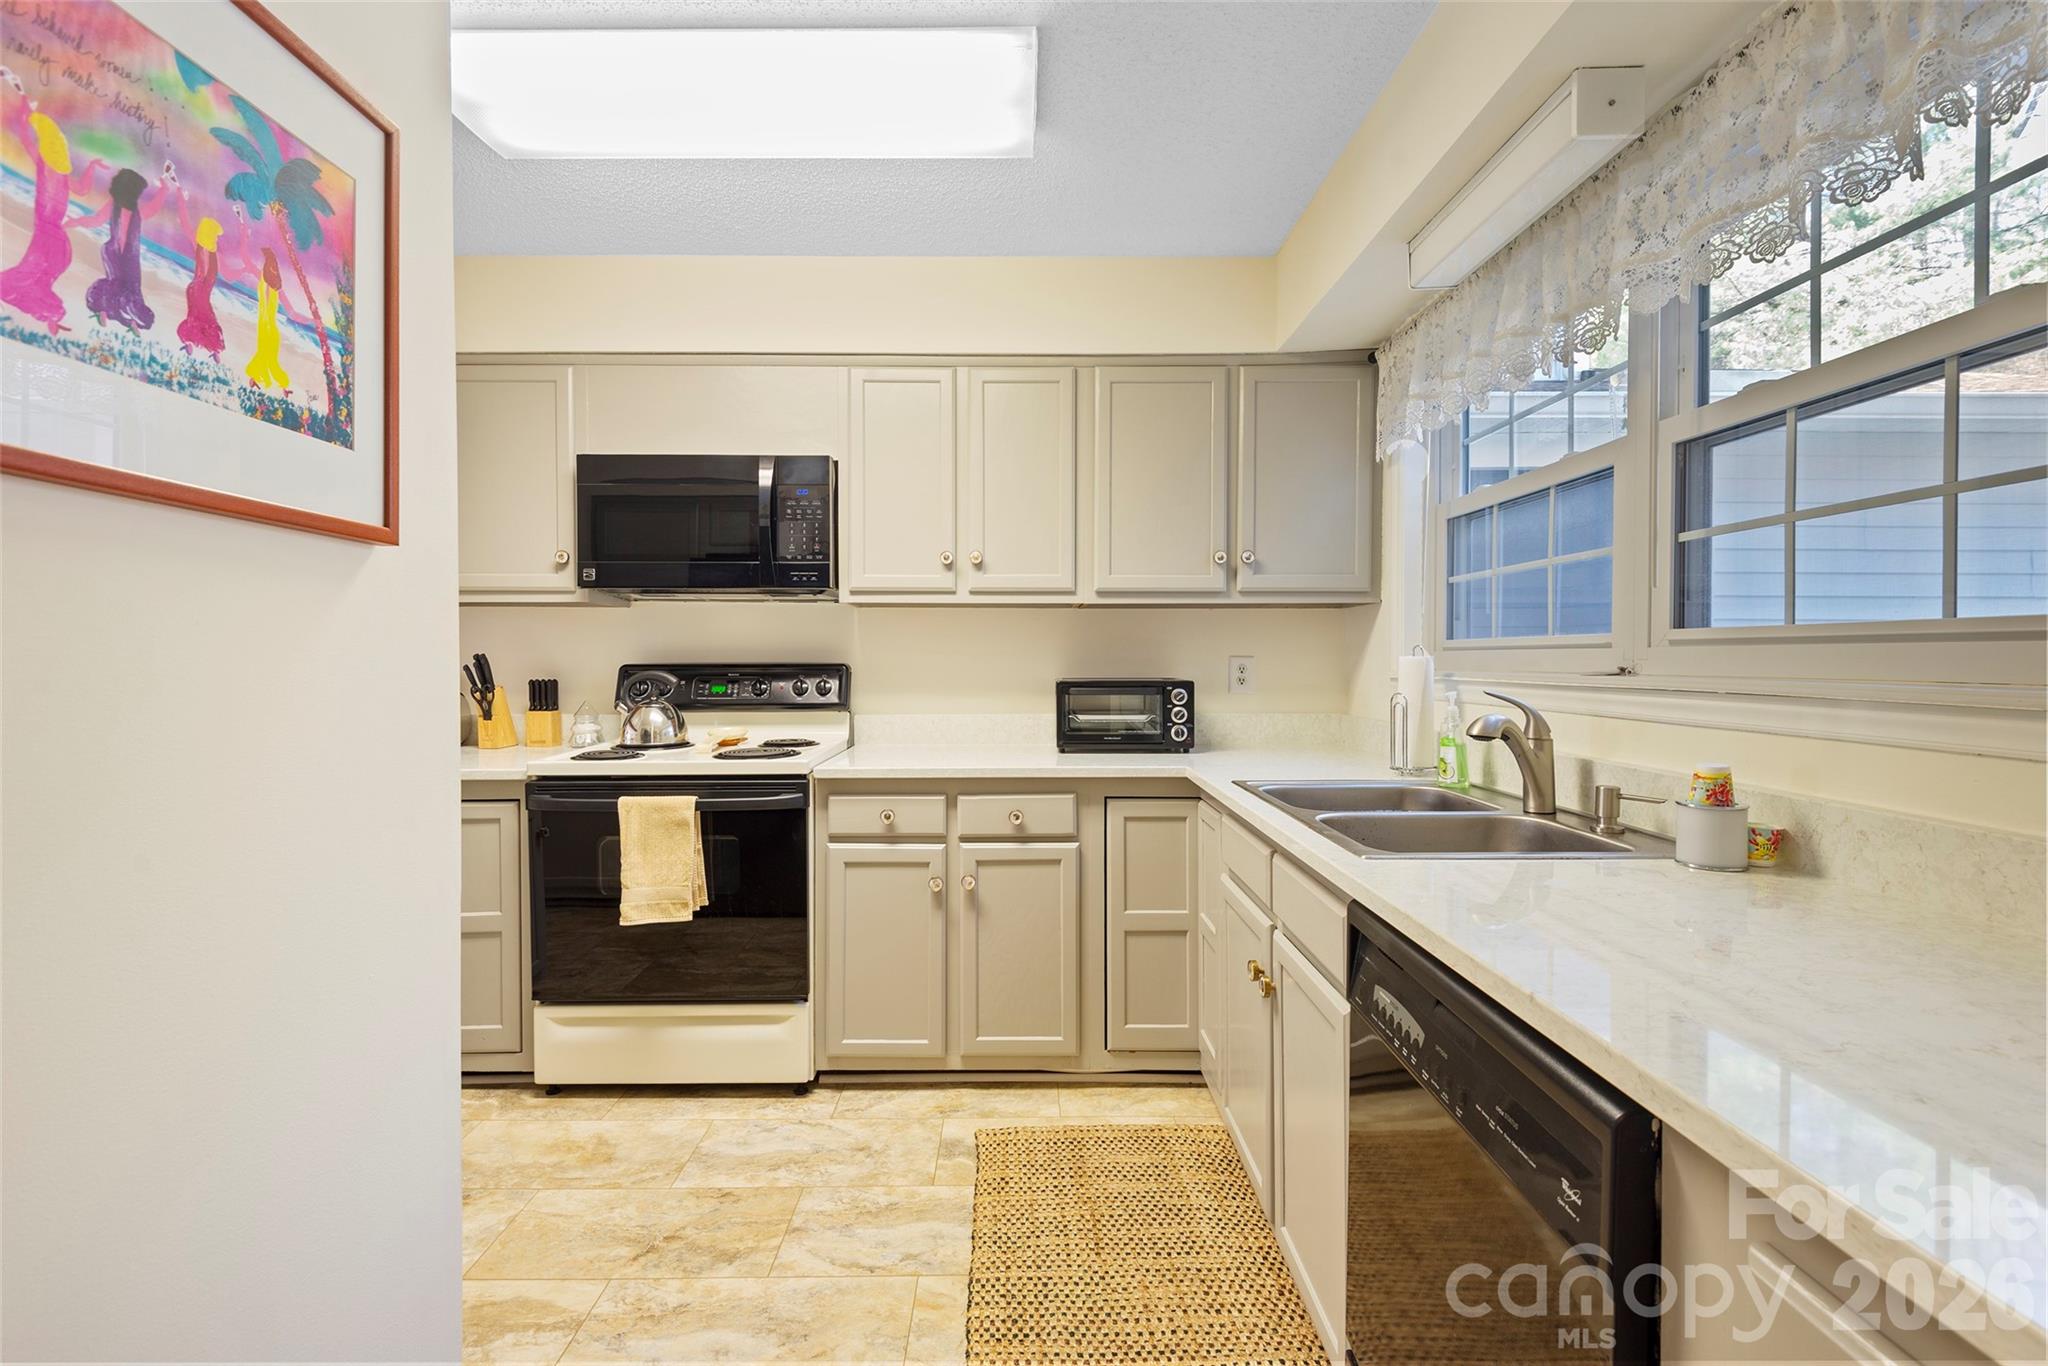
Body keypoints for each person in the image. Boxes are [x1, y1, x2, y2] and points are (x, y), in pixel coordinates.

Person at [0, 69, 108, 334]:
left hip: (51, 236)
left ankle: (47, 314)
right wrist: (26, 102)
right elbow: (26, 134)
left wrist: (92, 166)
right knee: (32, 280)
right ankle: (48, 314)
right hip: (55, 238)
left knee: (27, 280)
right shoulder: (53, 167)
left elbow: (26, 135)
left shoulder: (53, 167)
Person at [83, 165, 172, 332]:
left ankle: (103, 309)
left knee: (114, 284)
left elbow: (96, 219)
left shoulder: (114, 205)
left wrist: (76, 220)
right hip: (127, 256)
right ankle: (131, 319)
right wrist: (164, 190)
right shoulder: (136, 212)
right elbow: (153, 208)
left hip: (110, 251)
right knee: (130, 291)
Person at [174, 194, 226, 359]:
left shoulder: (201, 330)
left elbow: (189, 332)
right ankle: (209, 244)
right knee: (205, 272)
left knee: (206, 272)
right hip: (197, 295)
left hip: (197, 295)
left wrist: (188, 344)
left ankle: (209, 244)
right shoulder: (204, 331)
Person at [243, 247, 291, 392]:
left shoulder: (270, 285)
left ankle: (257, 377)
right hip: (268, 328)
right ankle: (258, 377)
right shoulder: (270, 285)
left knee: (267, 356)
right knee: (268, 356)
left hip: (268, 329)